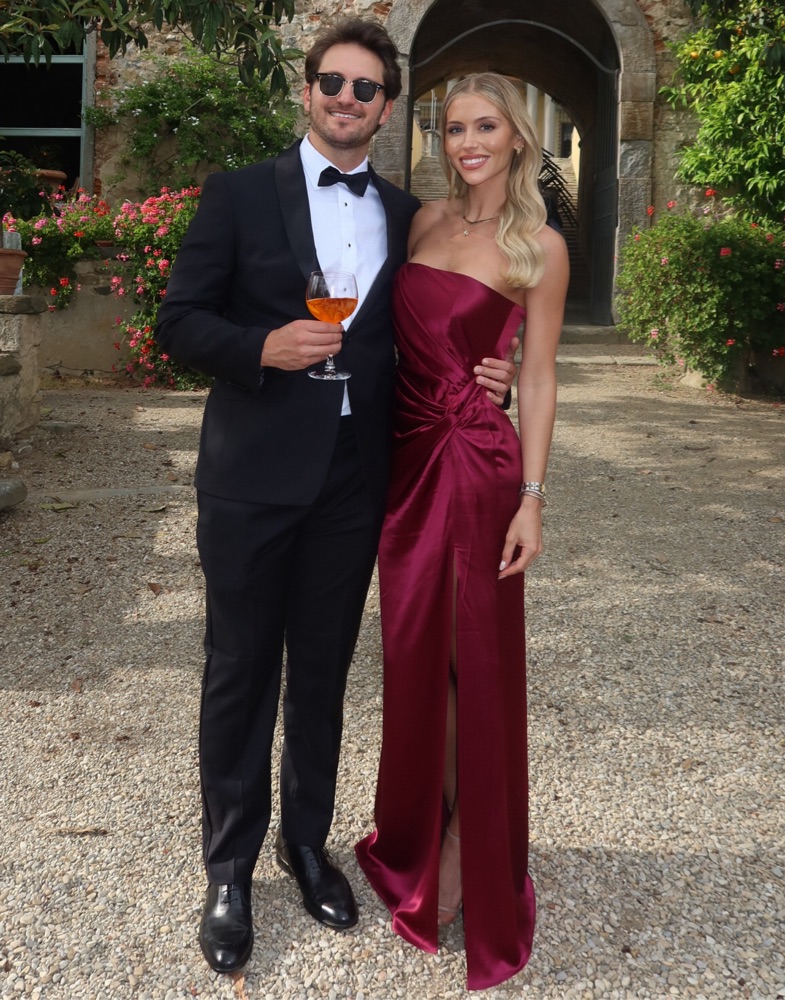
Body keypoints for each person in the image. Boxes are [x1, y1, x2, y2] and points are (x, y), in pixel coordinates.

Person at [154, 19, 517, 976]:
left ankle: (305, 845)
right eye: (332, 82)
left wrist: (492, 376)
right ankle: (228, 869)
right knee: (240, 669)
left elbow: (446, 326)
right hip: (251, 478)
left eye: (365, 88)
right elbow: (178, 322)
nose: (346, 99)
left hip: (358, 482)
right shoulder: (239, 194)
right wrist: (260, 347)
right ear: (307, 89)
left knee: (320, 672)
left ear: (386, 108)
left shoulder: (408, 215)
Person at [355, 73, 569, 990]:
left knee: (466, 658)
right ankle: (418, 825)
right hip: (403, 459)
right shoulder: (422, 223)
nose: (468, 142)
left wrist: (533, 497)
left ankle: (458, 844)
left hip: (475, 466)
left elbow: (541, 374)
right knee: (415, 655)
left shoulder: (539, 246)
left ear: (517, 138)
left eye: (486, 127)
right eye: (452, 128)